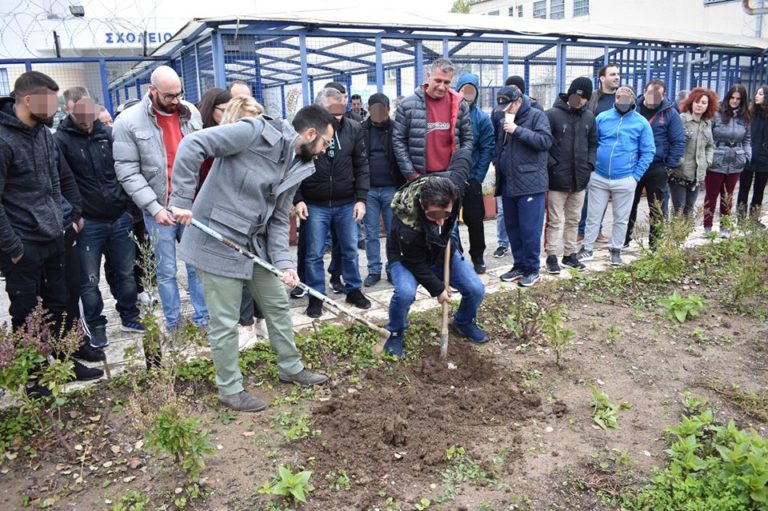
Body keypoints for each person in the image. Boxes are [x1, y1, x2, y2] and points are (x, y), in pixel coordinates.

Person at [169, 105, 333, 412]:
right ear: (310, 134)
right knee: (226, 320)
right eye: (325, 143)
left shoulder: (299, 164)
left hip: (254, 246)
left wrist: (284, 263)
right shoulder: (254, 132)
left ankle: (290, 367)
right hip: (217, 241)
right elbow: (193, 144)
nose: (324, 150)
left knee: (277, 302)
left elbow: (280, 219)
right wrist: (180, 200)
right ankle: (229, 388)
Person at [0, 71, 102, 385]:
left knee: (60, 303)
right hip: (23, 244)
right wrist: (14, 248)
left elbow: (57, 183)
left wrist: (65, 219)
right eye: (49, 102)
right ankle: (34, 376)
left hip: (55, 236)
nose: (56, 109)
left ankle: (64, 363)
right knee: (27, 311)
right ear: (29, 100)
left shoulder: (45, 135)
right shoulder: (4, 141)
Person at [113, 65, 209, 332]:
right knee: (166, 271)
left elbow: (201, 158)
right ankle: (173, 323)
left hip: (191, 206)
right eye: (168, 96)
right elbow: (127, 171)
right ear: (151, 90)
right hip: (160, 209)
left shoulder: (191, 113)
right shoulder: (128, 122)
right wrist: (154, 208)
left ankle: (203, 320)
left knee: (197, 266)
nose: (175, 101)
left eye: (179, 94)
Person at [55, 86, 143, 352]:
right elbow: (61, 183)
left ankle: (130, 316)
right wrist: (75, 216)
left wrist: (129, 209)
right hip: (88, 223)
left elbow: (126, 169)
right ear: (68, 109)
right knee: (89, 280)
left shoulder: (108, 134)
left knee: (126, 273)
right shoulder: (61, 141)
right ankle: (96, 324)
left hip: (120, 217)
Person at [383, 149, 485, 358]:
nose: (440, 221)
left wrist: (463, 149)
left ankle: (463, 322)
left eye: (445, 215)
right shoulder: (406, 219)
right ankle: (395, 332)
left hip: (441, 249)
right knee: (404, 294)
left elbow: (462, 161)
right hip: (406, 258)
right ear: (422, 204)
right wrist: (438, 288)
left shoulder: (453, 188)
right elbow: (415, 262)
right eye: (434, 216)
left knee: (475, 288)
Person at [293, 87, 371, 318]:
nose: (337, 117)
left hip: (347, 202)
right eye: (331, 111)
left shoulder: (354, 129)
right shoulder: (306, 131)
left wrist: (361, 199)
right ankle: (316, 296)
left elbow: (362, 165)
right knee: (314, 253)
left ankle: (353, 290)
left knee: (349, 249)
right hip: (315, 204)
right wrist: (298, 200)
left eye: (340, 111)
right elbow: (293, 166)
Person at [577, 86, 655, 267]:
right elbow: (592, 143)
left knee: (621, 218)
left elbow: (648, 151)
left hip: (625, 178)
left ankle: (616, 250)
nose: (623, 101)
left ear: (634, 99)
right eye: (619, 97)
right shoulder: (602, 118)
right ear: (615, 99)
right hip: (599, 176)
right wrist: (592, 168)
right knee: (593, 215)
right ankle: (587, 248)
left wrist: (636, 176)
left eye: (627, 97)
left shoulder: (641, 123)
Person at [216, 94, 270, 348]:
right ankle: (245, 325)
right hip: (233, 220)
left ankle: (261, 321)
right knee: (242, 274)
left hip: (260, 219)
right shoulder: (223, 147)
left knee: (263, 270)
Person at [494, 86, 553, 287]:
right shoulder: (503, 119)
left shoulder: (537, 116)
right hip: (509, 183)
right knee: (513, 228)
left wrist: (518, 131)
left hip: (530, 184)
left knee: (530, 230)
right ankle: (519, 265)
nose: (506, 111)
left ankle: (533, 269)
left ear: (519, 101)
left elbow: (545, 141)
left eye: (509, 106)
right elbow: (499, 146)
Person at [544, 77, 596, 274]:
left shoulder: (589, 118)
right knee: (554, 220)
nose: (580, 101)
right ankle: (551, 256)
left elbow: (593, 144)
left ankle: (569, 254)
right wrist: (553, 165)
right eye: (577, 96)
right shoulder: (552, 115)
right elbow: (544, 145)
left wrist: (590, 164)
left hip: (580, 179)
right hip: (557, 179)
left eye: (584, 98)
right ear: (570, 94)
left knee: (574, 219)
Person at [625, 79, 686, 248]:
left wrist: (669, 167)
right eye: (650, 93)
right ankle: (624, 239)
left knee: (657, 207)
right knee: (629, 204)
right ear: (644, 91)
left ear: (664, 95)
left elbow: (678, 141)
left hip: (657, 167)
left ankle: (655, 243)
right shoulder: (632, 109)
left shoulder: (670, 113)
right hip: (633, 166)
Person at [393, 58, 473, 181]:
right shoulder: (407, 105)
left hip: (450, 176)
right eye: (438, 80)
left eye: (447, 82)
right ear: (428, 76)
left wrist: (459, 169)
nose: (442, 87)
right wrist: (411, 174)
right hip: (420, 177)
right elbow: (398, 141)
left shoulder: (459, 104)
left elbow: (467, 139)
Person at [360, 93, 403, 287]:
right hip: (368, 191)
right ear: (368, 109)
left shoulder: (396, 129)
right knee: (371, 233)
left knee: (393, 233)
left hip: (391, 188)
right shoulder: (361, 130)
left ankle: (393, 268)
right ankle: (373, 270)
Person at [455, 73, 495, 275]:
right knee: (449, 220)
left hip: (472, 178)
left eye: (471, 90)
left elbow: (487, 148)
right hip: (451, 178)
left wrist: (477, 177)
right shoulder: (450, 113)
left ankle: (478, 257)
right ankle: (456, 257)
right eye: (464, 89)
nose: (467, 94)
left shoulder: (482, 119)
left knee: (475, 219)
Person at [580, 63, 621, 243]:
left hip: (616, 155)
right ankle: (583, 230)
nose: (617, 77)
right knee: (590, 194)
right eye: (612, 74)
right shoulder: (593, 98)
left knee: (605, 195)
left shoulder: (622, 98)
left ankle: (597, 230)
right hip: (594, 152)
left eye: (618, 74)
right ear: (602, 78)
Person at [704, 85, 751, 236]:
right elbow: (708, 137)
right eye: (732, 97)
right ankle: (707, 226)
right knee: (711, 196)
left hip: (736, 160)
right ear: (728, 97)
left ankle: (724, 227)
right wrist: (709, 156)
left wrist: (746, 156)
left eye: (738, 98)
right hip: (716, 159)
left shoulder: (745, 117)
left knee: (728, 196)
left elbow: (747, 140)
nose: (735, 101)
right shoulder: (716, 114)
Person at [670, 87, 717, 218]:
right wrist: (677, 161)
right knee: (678, 210)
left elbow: (710, 146)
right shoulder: (681, 119)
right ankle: (675, 237)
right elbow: (671, 142)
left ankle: (683, 237)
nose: (699, 105)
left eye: (703, 103)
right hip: (680, 173)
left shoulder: (707, 123)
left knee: (689, 210)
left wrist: (708, 160)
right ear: (691, 102)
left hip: (697, 174)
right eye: (697, 101)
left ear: (708, 106)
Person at [737, 85, 768, 224]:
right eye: (757, 93)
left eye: (760, 94)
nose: (756, 96)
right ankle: (741, 219)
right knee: (743, 188)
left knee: (759, 191)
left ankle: (754, 219)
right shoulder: (749, 115)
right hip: (749, 157)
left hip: (764, 159)